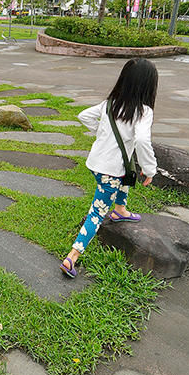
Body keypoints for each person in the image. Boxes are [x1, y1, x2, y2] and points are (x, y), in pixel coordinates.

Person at [60, 58, 159, 278]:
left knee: (124, 175)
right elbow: (142, 140)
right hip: (110, 170)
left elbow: (83, 115)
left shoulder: (110, 103)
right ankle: (72, 257)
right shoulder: (143, 111)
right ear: (148, 86)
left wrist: (102, 133)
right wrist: (150, 169)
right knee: (96, 212)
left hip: (97, 164)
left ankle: (121, 210)